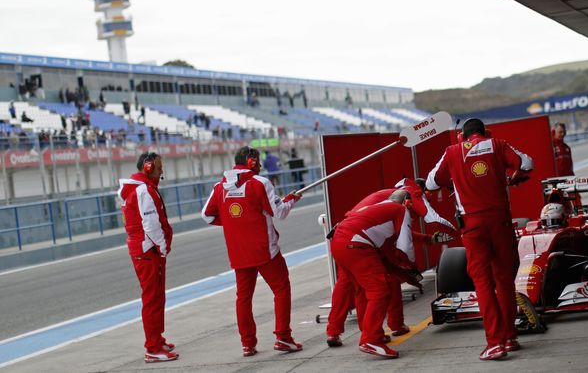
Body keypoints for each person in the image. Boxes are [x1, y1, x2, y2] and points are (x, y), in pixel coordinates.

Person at [426, 117, 533, 361]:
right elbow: (527, 163)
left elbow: (432, 181)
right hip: (501, 222)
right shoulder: (498, 144)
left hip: (473, 227)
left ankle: (495, 342)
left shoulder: (452, 151)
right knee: (505, 280)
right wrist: (510, 176)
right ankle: (510, 337)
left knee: (483, 283)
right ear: (485, 131)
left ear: (462, 136)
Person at [326, 178, 455, 347]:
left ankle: (336, 331)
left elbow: (389, 229)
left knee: (352, 286)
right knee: (386, 281)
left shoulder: (390, 196)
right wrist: (411, 265)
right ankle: (390, 327)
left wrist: (426, 239)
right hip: (360, 240)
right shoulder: (410, 196)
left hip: (346, 236)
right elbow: (400, 234)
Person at [201, 146, 302, 357]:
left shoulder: (220, 187)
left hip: (239, 252)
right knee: (281, 289)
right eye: (257, 160)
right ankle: (283, 337)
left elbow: (207, 216)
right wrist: (291, 199)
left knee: (243, 298)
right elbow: (279, 212)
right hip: (265, 250)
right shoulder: (260, 183)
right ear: (251, 161)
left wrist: (233, 223)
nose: (260, 164)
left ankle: (248, 344)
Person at [329, 189, 418, 359]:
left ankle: (367, 332)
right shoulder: (401, 209)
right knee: (380, 289)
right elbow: (405, 246)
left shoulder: (379, 205)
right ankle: (370, 339)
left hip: (340, 241)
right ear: (408, 202)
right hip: (356, 243)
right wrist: (411, 267)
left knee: (362, 290)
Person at [118, 152, 178, 363]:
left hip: (145, 249)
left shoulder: (138, 188)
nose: (161, 172)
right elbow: (151, 225)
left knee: (157, 297)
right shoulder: (143, 190)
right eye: (159, 168)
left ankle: (157, 339)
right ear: (148, 167)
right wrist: (163, 246)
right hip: (148, 250)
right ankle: (152, 348)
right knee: (152, 299)